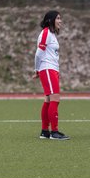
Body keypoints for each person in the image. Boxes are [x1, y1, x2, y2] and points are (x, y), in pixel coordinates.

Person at [32, 10, 70, 140]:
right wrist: (37, 69)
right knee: (55, 99)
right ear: (50, 20)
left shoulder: (52, 34)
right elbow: (38, 53)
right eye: (58, 18)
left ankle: (45, 131)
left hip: (51, 69)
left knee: (48, 100)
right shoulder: (46, 33)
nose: (60, 21)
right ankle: (54, 132)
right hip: (47, 69)